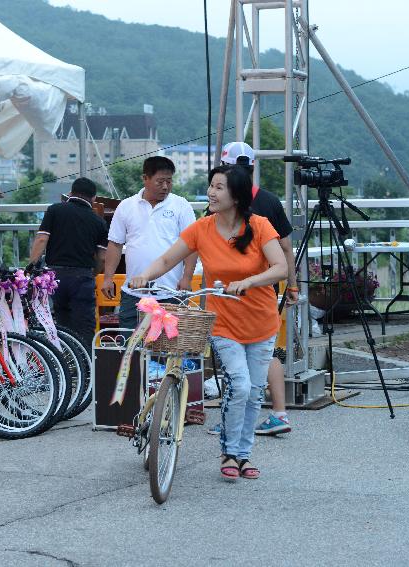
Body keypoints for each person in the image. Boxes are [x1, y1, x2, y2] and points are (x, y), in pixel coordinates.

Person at [128, 165, 287, 481]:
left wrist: (251, 281)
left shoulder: (260, 226)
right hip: (224, 322)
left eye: (219, 187)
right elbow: (166, 260)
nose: (211, 193)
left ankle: (243, 455)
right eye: (211, 186)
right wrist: (146, 274)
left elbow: (281, 267)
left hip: (262, 321)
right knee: (239, 384)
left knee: (255, 391)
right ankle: (229, 452)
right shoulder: (202, 228)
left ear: (236, 195)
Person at [208, 141, 298, 436]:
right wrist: (292, 285)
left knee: (235, 358)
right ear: (252, 168)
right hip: (264, 291)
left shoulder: (221, 202)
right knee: (265, 351)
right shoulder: (269, 200)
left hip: (229, 292)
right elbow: (287, 249)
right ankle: (280, 414)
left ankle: (232, 420)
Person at [101, 156, 196, 329]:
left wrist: (187, 277)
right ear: (145, 178)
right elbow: (115, 244)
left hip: (171, 291)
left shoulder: (181, 206)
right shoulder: (126, 206)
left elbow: (192, 245)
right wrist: (108, 278)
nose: (165, 186)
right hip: (133, 292)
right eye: (160, 181)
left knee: (168, 349)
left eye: (169, 181)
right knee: (130, 346)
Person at [28, 177, 108, 346]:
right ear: (94, 198)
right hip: (82, 277)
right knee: (84, 327)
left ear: (70, 193)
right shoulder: (99, 222)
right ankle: (86, 367)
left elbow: (42, 240)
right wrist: (93, 273)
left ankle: (66, 363)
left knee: (62, 323)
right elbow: (102, 257)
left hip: (55, 277)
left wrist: (30, 267)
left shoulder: (55, 210)